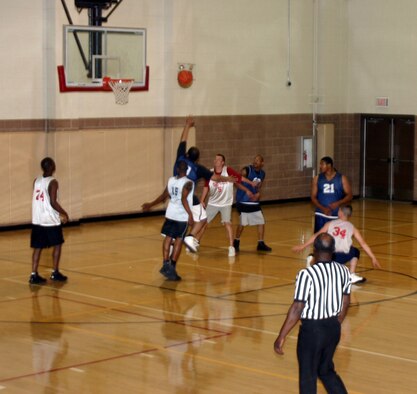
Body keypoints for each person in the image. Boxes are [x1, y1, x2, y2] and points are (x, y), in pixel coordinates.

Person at [274, 233, 351, 394]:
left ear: (315, 249)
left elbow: (297, 308)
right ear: (333, 250)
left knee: (308, 377)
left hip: (313, 331)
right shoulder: (343, 271)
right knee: (326, 370)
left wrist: (281, 336)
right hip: (333, 328)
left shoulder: (306, 274)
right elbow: (346, 301)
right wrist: (336, 323)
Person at [173, 116, 236, 254]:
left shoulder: (180, 158)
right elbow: (216, 177)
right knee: (202, 218)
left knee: (178, 217)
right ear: (197, 159)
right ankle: (190, 237)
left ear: (187, 153)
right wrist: (227, 178)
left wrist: (187, 125)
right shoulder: (199, 168)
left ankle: (174, 240)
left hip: (174, 192)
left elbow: (183, 139)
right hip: (189, 196)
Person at [293, 204, 381, 284]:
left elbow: (316, 236)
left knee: (323, 249)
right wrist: (373, 257)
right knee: (356, 251)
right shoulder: (352, 228)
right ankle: (351, 274)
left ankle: (313, 260)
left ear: (340, 213)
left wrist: (303, 246)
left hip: (329, 256)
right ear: (349, 215)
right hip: (344, 257)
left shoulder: (330, 223)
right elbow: (363, 244)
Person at [142, 160, 194, 281]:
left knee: (168, 237)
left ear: (177, 169)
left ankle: (165, 263)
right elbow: (184, 199)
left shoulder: (171, 180)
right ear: (187, 170)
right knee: (179, 240)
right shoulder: (188, 183)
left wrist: (150, 204)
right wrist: (190, 215)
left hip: (170, 214)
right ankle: (172, 267)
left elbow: (163, 197)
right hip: (181, 216)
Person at [196, 154, 255, 257]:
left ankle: (231, 247)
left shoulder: (228, 170)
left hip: (226, 203)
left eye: (218, 159)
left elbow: (240, 178)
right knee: (204, 224)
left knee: (228, 223)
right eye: (215, 159)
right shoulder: (209, 172)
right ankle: (196, 243)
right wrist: (202, 200)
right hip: (213, 203)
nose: (216, 160)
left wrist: (251, 183)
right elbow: (206, 187)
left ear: (222, 162)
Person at [29, 157, 69, 284]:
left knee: (37, 248)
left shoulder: (36, 181)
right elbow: (52, 202)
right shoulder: (53, 182)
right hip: (50, 220)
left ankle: (33, 274)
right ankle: (55, 272)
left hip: (37, 219)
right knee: (57, 245)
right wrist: (64, 213)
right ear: (52, 166)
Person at [233, 154, 272, 252]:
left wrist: (258, 194)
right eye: (254, 160)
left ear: (262, 163)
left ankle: (260, 243)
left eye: (258, 160)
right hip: (243, 200)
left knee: (261, 221)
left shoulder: (262, 174)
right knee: (243, 222)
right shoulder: (246, 170)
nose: (255, 162)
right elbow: (236, 182)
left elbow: (258, 187)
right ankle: (236, 242)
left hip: (253, 202)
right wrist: (246, 190)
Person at [311, 156, 352, 233]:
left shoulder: (341, 178)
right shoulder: (317, 178)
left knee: (335, 240)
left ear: (329, 165)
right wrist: (323, 208)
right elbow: (313, 197)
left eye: (322, 164)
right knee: (319, 239)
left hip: (336, 214)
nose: (320, 166)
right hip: (321, 214)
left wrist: (338, 203)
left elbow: (349, 195)